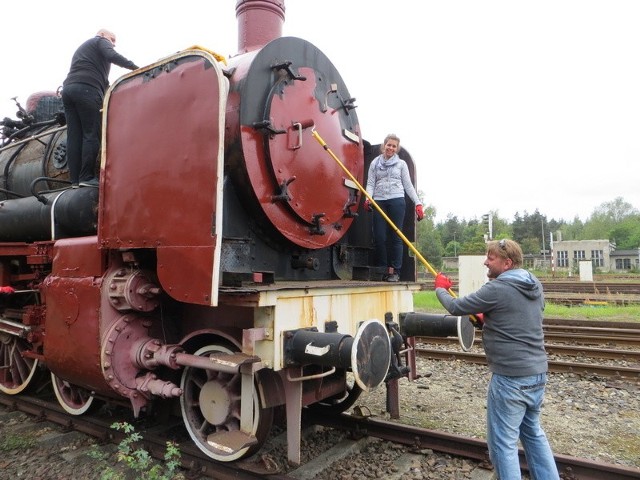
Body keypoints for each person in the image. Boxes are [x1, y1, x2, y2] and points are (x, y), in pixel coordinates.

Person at [434, 239, 559, 480]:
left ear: (507, 263)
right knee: (533, 433)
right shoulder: (535, 284)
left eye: (491, 258)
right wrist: (489, 319)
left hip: (511, 379)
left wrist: (440, 288)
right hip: (537, 374)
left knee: (503, 445)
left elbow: (456, 306)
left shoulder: (497, 289)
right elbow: (518, 317)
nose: (485, 262)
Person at [62, 29, 138, 188]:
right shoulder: (99, 41)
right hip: (87, 89)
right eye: (112, 39)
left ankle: (74, 180)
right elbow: (112, 55)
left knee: (74, 136)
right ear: (103, 35)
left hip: (69, 89)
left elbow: (104, 82)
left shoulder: (85, 50)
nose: (113, 43)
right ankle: (87, 176)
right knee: (91, 133)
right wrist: (135, 68)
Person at [364, 134, 424, 282]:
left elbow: (408, 185)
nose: (391, 148)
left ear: (397, 149)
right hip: (379, 200)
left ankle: (395, 271)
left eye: (394, 146)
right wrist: (368, 198)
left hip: (397, 200)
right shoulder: (375, 163)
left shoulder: (401, 164)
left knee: (396, 236)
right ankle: (382, 269)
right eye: (389, 145)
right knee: (379, 236)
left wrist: (418, 203)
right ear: (384, 146)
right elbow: (371, 183)